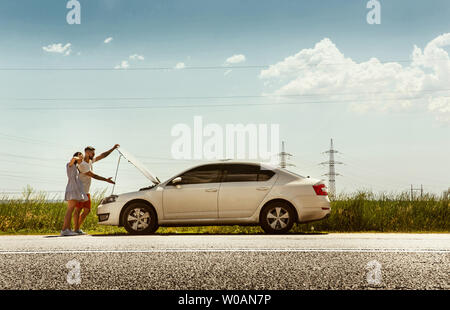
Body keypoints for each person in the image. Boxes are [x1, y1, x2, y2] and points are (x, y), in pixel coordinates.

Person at [73, 144, 120, 234]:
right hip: (80, 190)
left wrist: (113, 149)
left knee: (87, 210)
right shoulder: (83, 164)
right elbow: (93, 176)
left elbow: (102, 156)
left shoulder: (89, 161)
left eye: (94, 153)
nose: (94, 154)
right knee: (78, 210)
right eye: (92, 153)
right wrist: (106, 180)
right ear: (87, 152)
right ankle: (76, 229)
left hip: (85, 191)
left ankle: (77, 228)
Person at [61, 152, 88, 236]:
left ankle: (68, 229)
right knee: (69, 210)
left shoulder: (76, 167)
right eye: (80, 156)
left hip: (75, 189)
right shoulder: (70, 165)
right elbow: (72, 160)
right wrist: (77, 158)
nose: (82, 158)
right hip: (72, 189)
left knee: (71, 209)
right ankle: (64, 230)